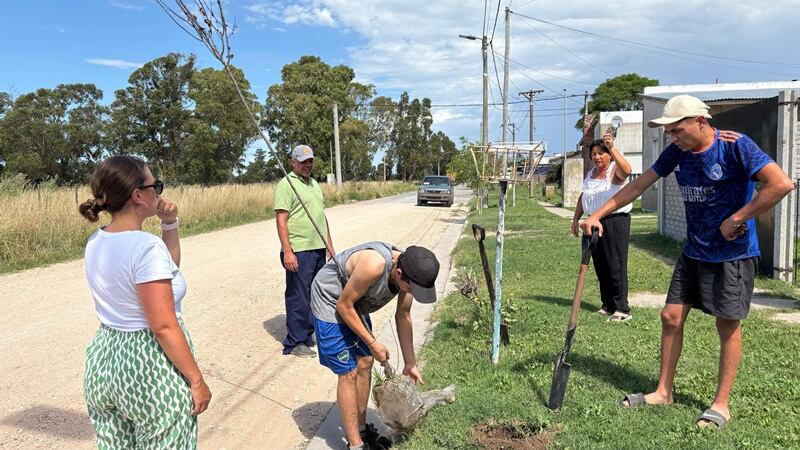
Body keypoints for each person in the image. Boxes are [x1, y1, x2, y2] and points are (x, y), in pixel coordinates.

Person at [580, 95, 794, 428]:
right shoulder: (677, 153)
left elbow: (781, 183)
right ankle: (664, 391)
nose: (673, 138)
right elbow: (638, 184)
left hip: (732, 254)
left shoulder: (735, 146)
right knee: (670, 316)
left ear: (700, 121)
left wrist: (737, 218)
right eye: (669, 133)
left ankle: (721, 405)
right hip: (695, 249)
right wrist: (597, 214)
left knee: (726, 324)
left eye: (677, 130)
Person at [79, 156, 211, 448]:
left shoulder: (97, 240)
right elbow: (163, 325)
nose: (160, 193)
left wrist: (169, 224)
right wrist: (196, 380)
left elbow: (167, 271)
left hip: (105, 358)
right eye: (156, 186)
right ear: (138, 195)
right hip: (149, 365)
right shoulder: (144, 246)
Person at [310, 242, 440, 450]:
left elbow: (403, 315)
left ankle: (361, 429)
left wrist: (410, 363)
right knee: (349, 372)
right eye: (411, 289)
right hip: (331, 299)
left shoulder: (410, 273)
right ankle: (355, 445)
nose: (412, 293)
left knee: (366, 361)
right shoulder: (374, 265)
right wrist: (372, 342)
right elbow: (343, 305)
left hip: (354, 301)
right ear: (399, 273)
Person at [274, 144, 334, 358]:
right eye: (302, 161)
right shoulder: (286, 185)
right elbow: (281, 220)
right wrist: (288, 251)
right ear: (293, 162)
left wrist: (329, 245)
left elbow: (320, 216)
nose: (307, 165)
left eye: (310, 161)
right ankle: (295, 341)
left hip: (317, 248)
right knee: (298, 296)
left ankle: (308, 334)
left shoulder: (315, 185)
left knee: (315, 294)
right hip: (299, 250)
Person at [572, 131, 633, 322]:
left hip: (614, 221)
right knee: (600, 264)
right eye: (594, 154)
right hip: (592, 221)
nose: (597, 157)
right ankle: (607, 304)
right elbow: (584, 197)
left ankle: (622, 308)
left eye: (601, 153)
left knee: (615, 263)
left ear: (608, 155)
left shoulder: (614, 171)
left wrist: (612, 147)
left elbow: (628, 170)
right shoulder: (591, 173)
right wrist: (576, 219)